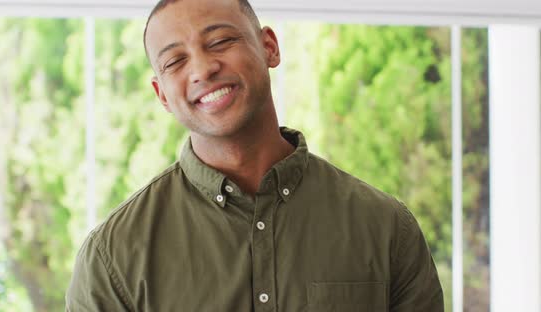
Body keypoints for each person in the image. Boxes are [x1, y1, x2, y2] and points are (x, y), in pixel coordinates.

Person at [66, 0, 444, 310]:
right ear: (161, 94)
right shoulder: (112, 257)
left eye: (219, 41)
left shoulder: (386, 228)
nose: (203, 68)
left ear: (269, 47)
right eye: (175, 61)